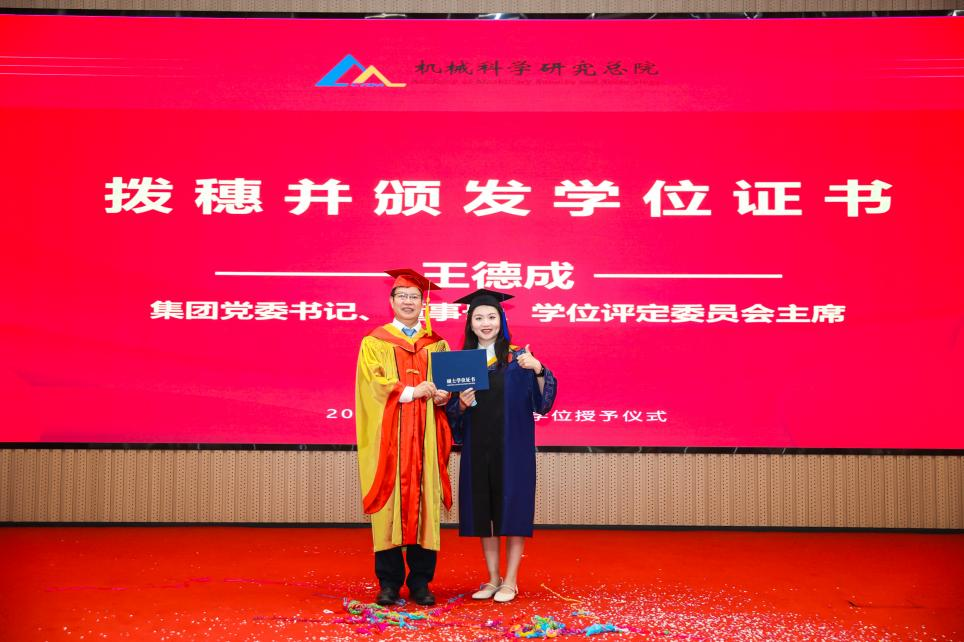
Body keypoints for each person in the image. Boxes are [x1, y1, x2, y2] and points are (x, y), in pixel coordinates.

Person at [445, 289, 558, 603]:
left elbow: (542, 403)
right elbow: (452, 414)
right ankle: (493, 578)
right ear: (470, 323)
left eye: (491, 317)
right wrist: (461, 404)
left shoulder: (517, 358)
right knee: (485, 512)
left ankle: (511, 580)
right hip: (478, 447)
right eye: (478, 317)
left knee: (514, 510)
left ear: (501, 320)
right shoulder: (462, 362)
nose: (486, 323)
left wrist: (538, 368)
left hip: (513, 447)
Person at [355, 269, 453, 607]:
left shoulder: (437, 344)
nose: (409, 302)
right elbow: (372, 385)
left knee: (425, 504)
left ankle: (421, 582)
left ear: (423, 303)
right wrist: (411, 391)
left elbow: (447, 388)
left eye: (414, 297)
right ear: (392, 301)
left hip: (426, 437)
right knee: (389, 505)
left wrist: (443, 396)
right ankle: (389, 583)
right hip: (392, 437)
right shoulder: (375, 342)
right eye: (403, 296)